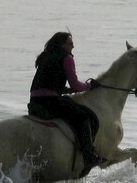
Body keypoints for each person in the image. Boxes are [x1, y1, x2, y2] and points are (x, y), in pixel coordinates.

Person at [28, 32, 106, 172]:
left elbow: (47, 83)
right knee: (85, 116)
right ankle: (89, 156)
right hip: (50, 102)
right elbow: (76, 85)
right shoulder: (67, 57)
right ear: (62, 45)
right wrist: (90, 86)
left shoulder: (46, 56)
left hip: (34, 101)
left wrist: (64, 90)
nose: (73, 46)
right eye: (70, 43)